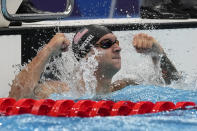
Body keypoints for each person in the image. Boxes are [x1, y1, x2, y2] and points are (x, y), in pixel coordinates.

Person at [9, 24, 180, 100]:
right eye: (107, 44)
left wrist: (158, 55)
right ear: (86, 56)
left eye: (117, 42)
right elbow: (17, 99)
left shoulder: (126, 86)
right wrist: (48, 50)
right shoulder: (59, 90)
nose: (118, 48)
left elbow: (175, 86)